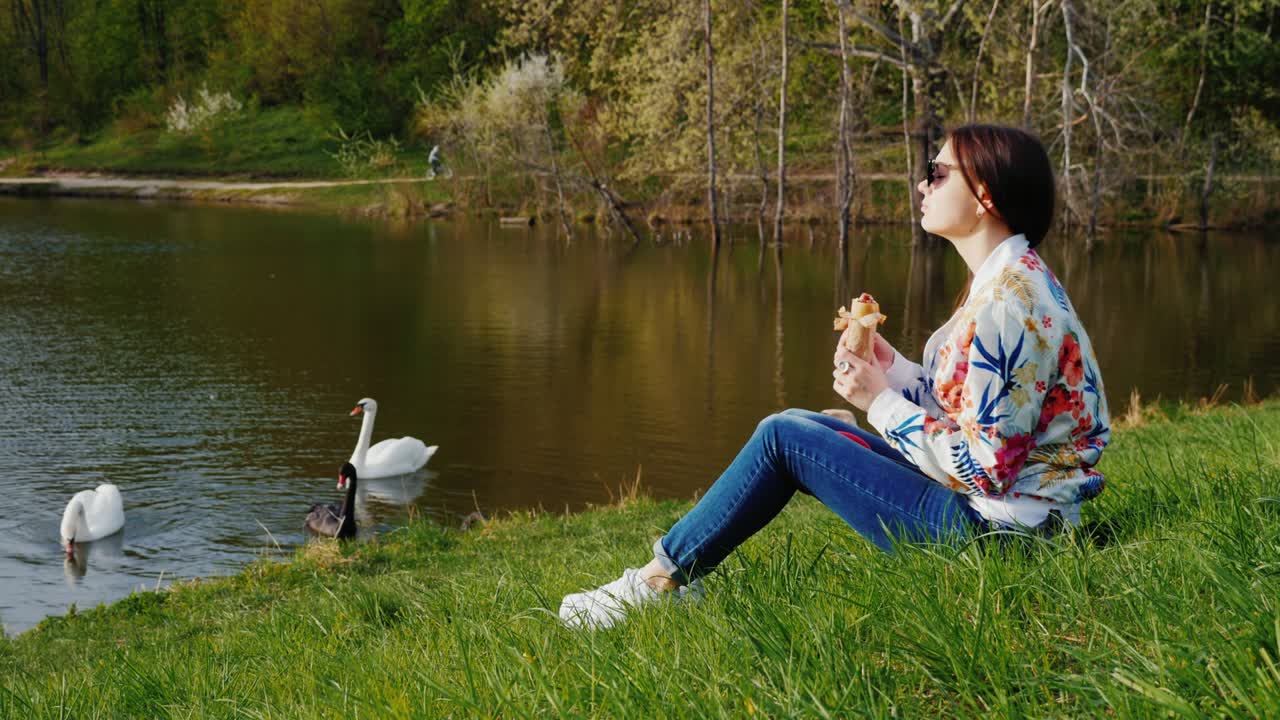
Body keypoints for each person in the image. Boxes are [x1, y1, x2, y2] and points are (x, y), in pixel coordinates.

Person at [559, 124, 1111, 630]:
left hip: (999, 540)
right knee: (803, 424)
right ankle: (668, 577)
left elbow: (988, 466)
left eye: (936, 173)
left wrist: (880, 404)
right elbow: (969, 410)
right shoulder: (1014, 282)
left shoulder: (1005, 306)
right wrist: (888, 370)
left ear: (985, 195)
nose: (922, 184)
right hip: (1023, 524)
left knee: (785, 438)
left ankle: (655, 585)